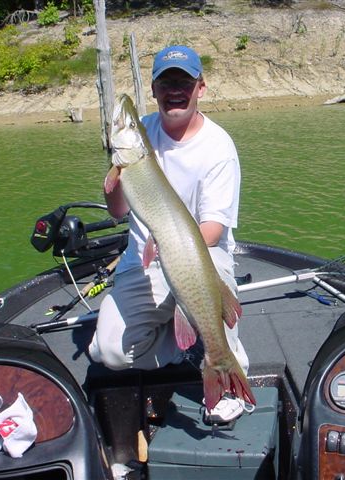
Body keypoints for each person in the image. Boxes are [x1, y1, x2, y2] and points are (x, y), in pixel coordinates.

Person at [88, 45, 249, 423]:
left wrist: (171, 245)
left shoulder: (218, 146)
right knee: (107, 352)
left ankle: (225, 362)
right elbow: (117, 211)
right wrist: (115, 172)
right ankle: (180, 346)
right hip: (143, 260)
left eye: (184, 83)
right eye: (166, 83)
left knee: (213, 277)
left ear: (200, 88)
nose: (175, 91)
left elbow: (213, 230)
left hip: (199, 254)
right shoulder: (141, 134)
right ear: (155, 90)